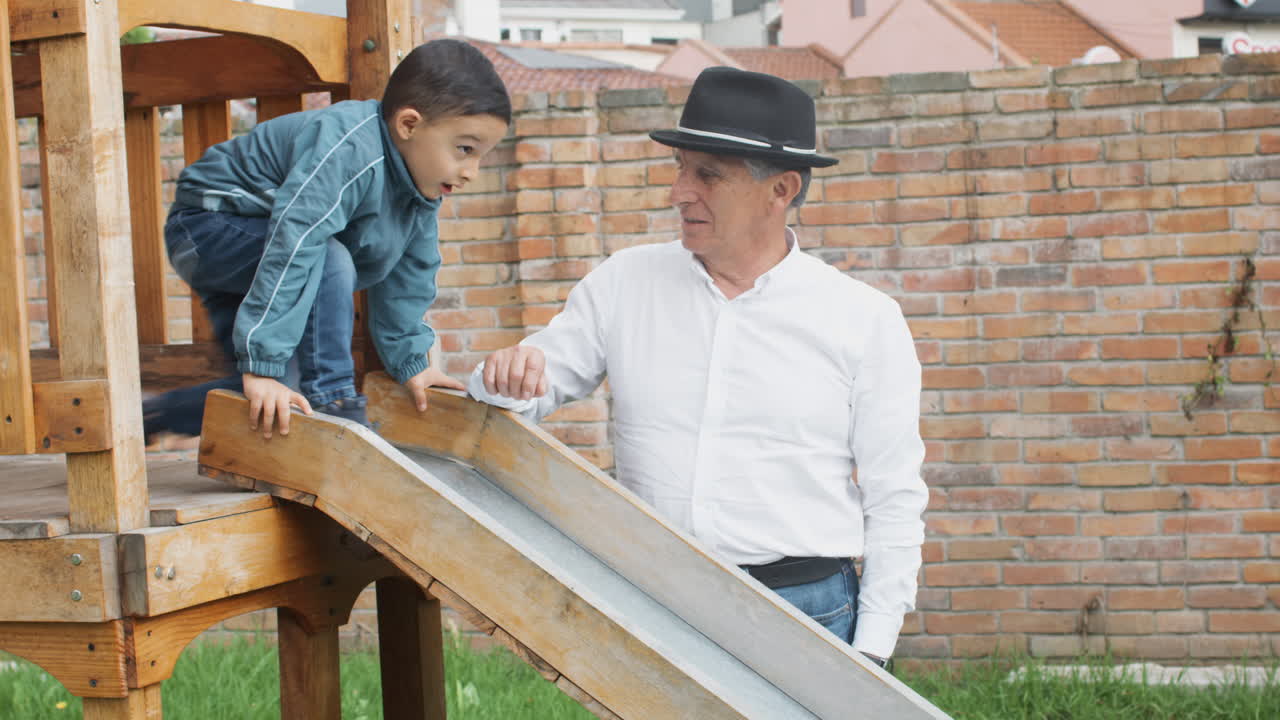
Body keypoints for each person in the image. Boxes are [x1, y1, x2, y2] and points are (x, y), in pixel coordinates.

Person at [466, 67, 928, 668]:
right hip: (656, 601)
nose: (679, 191)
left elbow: (895, 494)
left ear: (781, 190)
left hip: (806, 613)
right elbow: (521, 390)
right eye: (680, 168)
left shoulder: (865, 320)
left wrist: (873, 650)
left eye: (707, 174)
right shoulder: (625, 284)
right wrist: (503, 377)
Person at [143, 39, 510, 440]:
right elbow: (295, 241)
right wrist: (263, 362)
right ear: (409, 125)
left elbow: (410, 278)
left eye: (481, 156)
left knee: (278, 396)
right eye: (464, 149)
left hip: (265, 261)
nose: (472, 170)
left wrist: (414, 364)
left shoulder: (418, 192)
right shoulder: (351, 148)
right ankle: (336, 404)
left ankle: (153, 417)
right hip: (209, 226)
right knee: (328, 258)